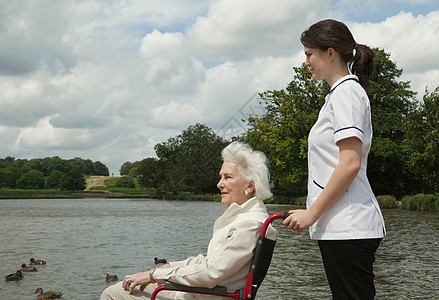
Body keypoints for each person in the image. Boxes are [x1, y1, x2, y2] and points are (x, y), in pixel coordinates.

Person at [283, 19, 386, 299]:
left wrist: (312, 213)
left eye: (309, 54)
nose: (306, 62)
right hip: (341, 227)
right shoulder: (338, 95)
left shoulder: (347, 94)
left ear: (330, 53)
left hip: (349, 225)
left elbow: (350, 163)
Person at [101, 141, 276, 300]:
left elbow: (212, 272)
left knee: (112, 293)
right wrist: (165, 268)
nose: (219, 183)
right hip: (199, 293)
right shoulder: (248, 218)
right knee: (123, 288)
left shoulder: (249, 224)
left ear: (250, 186)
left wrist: (154, 275)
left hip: (203, 295)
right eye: (221, 176)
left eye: (227, 177)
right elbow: (209, 263)